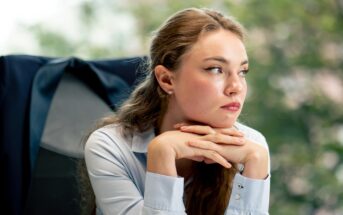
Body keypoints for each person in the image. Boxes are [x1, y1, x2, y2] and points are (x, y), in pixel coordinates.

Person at [84, 7, 270, 215]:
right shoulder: (110, 146)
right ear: (166, 79)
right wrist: (162, 153)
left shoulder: (252, 148)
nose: (236, 87)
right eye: (216, 69)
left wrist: (257, 160)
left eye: (242, 71)